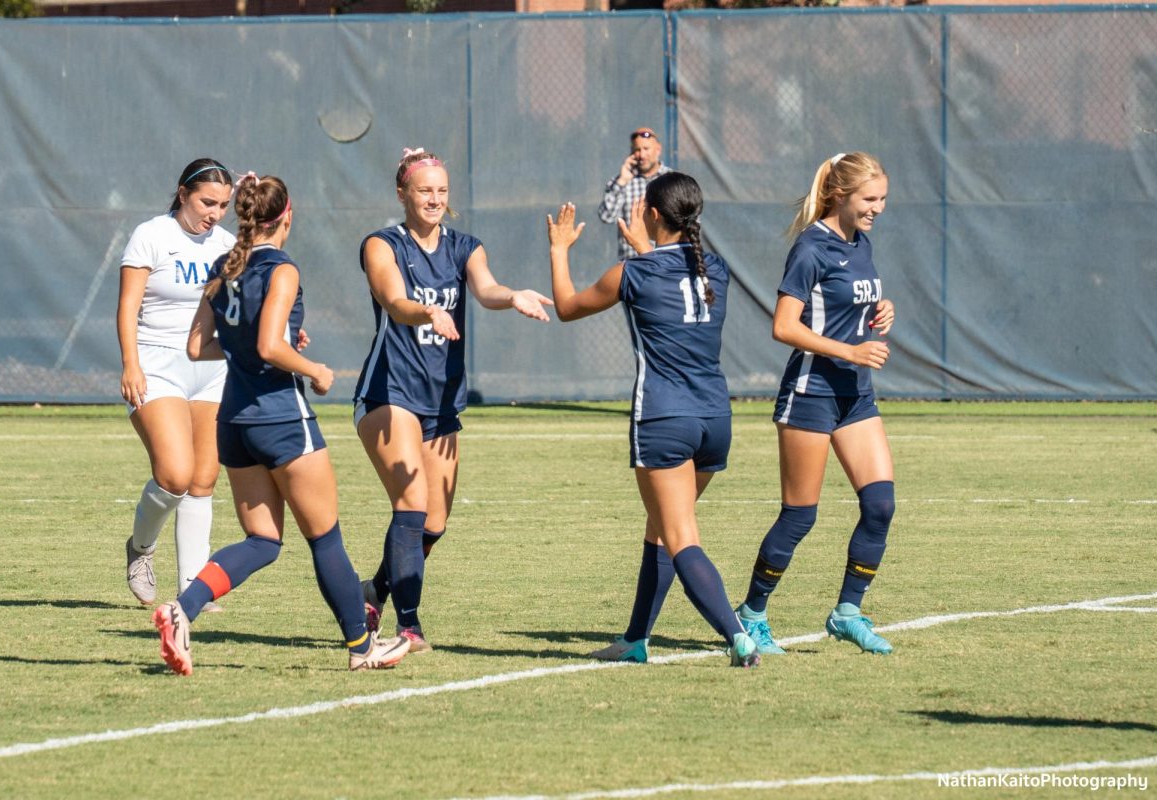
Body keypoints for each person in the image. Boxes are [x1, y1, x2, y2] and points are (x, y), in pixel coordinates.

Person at [153, 173, 409, 675]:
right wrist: (313, 368)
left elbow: (198, 346)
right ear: (287, 216)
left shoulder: (224, 266)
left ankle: (181, 610)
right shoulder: (281, 268)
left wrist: (269, 341)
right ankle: (362, 648)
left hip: (234, 420)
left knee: (264, 541)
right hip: (280, 418)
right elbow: (270, 346)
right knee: (325, 537)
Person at [547, 172, 758, 668]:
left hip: (665, 417)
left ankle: (737, 636)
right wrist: (647, 249)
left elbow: (566, 307)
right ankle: (635, 639)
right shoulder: (717, 270)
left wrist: (559, 250)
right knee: (660, 529)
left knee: (680, 535)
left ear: (654, 215)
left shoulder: (634, 274)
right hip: (714, 418)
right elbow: (671, 278)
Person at [354, 148, 554, 653]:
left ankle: (373, 590)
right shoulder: (382, 244)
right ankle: (408, 626)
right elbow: (395, 303)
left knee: (435, 522)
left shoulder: (465, 246)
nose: (434, 199)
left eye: (442, 191)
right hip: (388, 391)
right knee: (412, 504)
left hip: (440, 400)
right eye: (424, 190)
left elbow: (485, 289)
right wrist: (427, 313)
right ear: (402, 193)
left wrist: (512, 297)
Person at [734, 152, 897, 656]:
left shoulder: (861, 243)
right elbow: (785, 326)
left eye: (883, 199)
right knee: (800, 515)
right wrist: (849, 349)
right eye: (870, 200)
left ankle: (847, 612)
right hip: (811, 394)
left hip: (855, 395)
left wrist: (881, 310)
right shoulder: (810, 248)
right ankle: (751, 614)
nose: (878, 209)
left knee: (880, 504)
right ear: (839, 196)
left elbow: (851, 305)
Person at [117, 158, 235, 609]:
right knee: (174, 474)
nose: (215, 212)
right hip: (157, 363)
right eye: (207, 201)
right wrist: (131, 364)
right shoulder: (152, 235)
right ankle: (141, 549)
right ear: (183, 193)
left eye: (224, 204)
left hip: (212, 367)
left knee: (204, 478)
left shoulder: (227, 244)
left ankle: (193, 590)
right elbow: (128, 307)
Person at [597, 127, 671, 261]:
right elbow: (606, 216)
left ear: (658, 149)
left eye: (646, 149)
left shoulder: (672, 179)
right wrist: (622, 181)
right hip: (631, 264)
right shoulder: (621, 181)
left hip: (665, 264)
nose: (642, 155)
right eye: (637, 150)